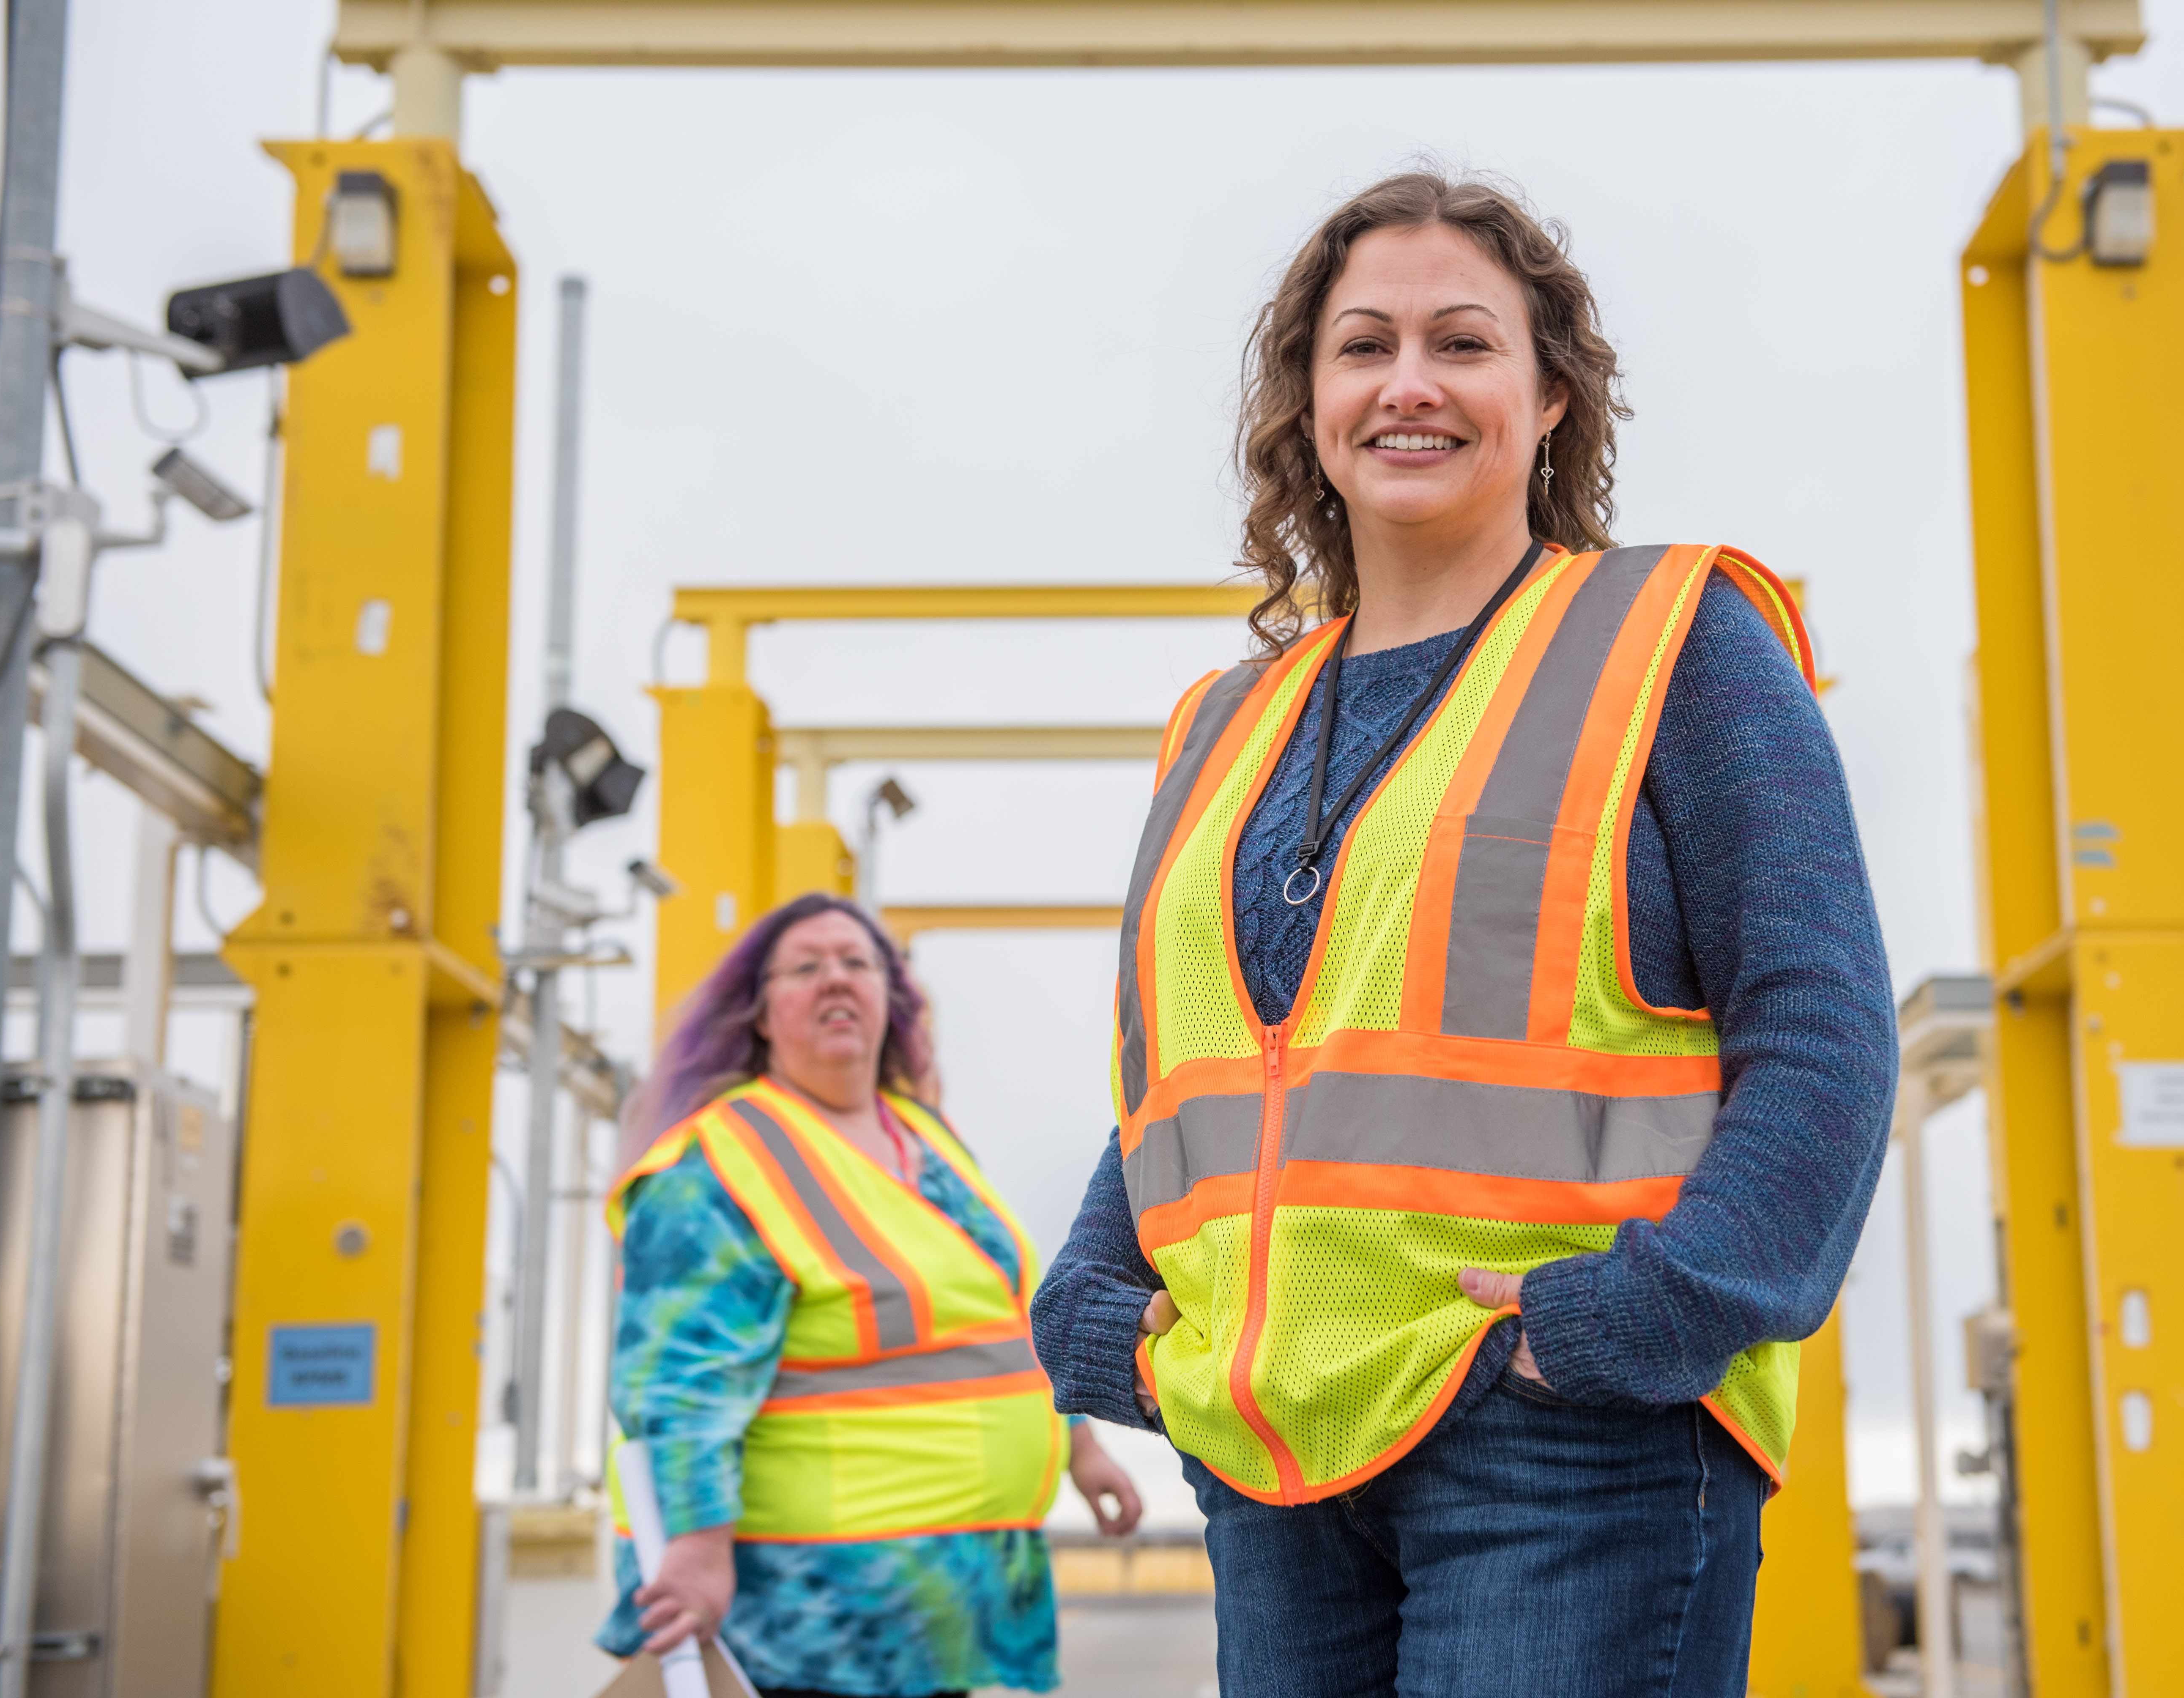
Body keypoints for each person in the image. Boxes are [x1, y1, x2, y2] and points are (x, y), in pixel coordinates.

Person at [1030, 171, 1896, 1695]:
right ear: (1306, 403)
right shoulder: (1221, 726)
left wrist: (1655, 1313)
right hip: (1272, 1453)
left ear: (1550, 395)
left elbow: (1820, 1026)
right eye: (1362, 346)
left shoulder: (1671, 646)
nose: (1407, 384)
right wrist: (1088, 1304)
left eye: (1462, 343)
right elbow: (1201, 1077)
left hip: (1567, 1440)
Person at [598, 892, 1143, 1697]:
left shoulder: (923, 1139)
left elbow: (994, 1312)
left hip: (943, 1606)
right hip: (807, 1613)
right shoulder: (717, 1163)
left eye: (857, 964)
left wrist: (1080, 1449)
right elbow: (680, 1385)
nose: (836, 981)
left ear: (894, 999)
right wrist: (696, 1544)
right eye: (806, 968)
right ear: (759, 1012)